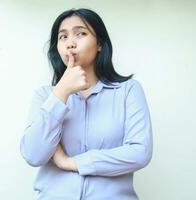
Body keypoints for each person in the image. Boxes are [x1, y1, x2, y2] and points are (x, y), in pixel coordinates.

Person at [20, 8, 153, 200]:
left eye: (80, 34)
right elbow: (33, 155)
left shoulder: (128, 91)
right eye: (63, 37)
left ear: (99, 43)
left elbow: (140, 152)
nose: (70, 43)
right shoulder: (45, 96)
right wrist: (62, 92)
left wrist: (69, 162)